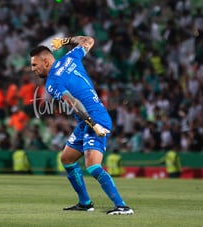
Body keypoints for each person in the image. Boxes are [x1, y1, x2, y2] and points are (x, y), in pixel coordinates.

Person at [30, 35, 134, 215]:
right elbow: (89, 40)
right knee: (67, 159)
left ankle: (123, 206)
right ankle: (85, 203)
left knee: (93, 166)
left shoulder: (53, 82)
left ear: (46, 61)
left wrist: (93, 125)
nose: (32, 69)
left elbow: (74, 104)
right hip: (88, 120)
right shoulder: (70, 57)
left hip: (95, 118)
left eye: (34, 65)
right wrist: (64, 41)